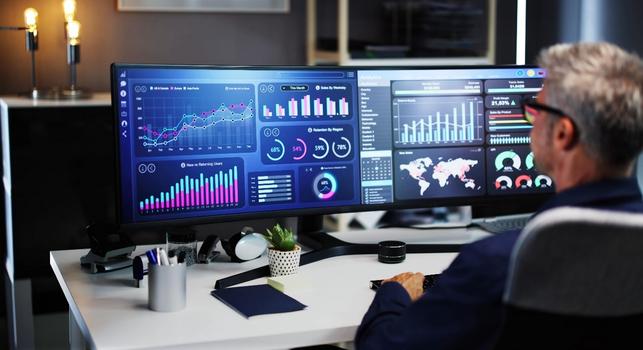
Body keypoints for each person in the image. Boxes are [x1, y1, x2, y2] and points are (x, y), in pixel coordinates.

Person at [355, 42, 643, 350]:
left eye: (535, 110)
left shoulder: (497, 262)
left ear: (562, 134)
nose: (530, 120)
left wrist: (394, 294)